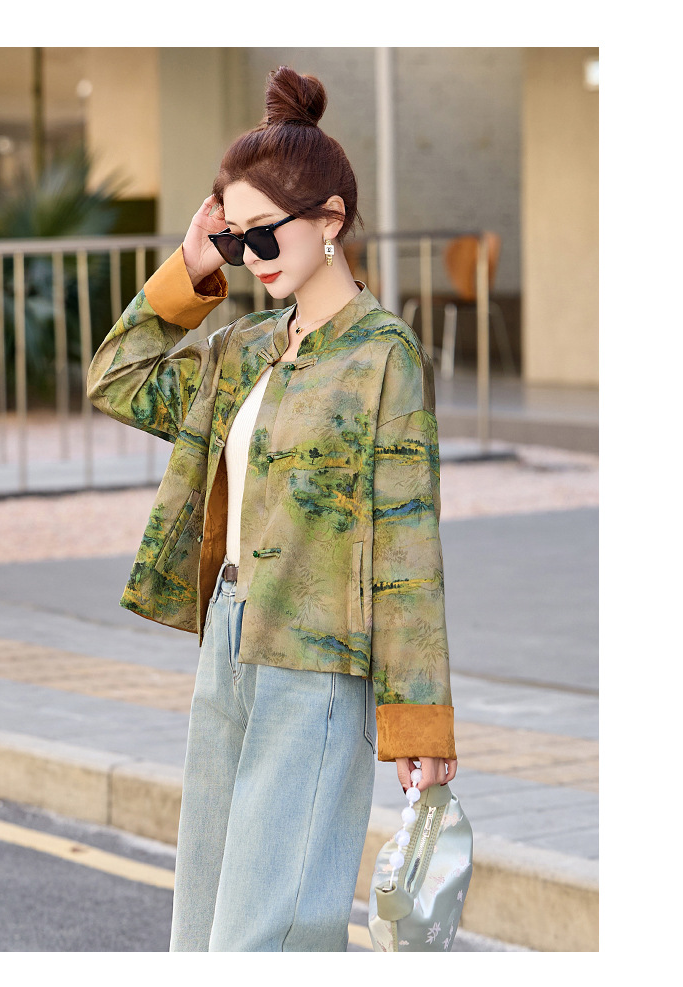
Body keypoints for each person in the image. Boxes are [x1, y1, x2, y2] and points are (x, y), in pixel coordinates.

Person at [87, 66, 457, 953]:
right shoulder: (244, 346)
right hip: (229, 638)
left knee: (268, 932)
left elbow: (407, 545)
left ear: (330, 220)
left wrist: (419, 719)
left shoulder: (384, 357)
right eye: (236, 236)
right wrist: (191, 267)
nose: (251, 256)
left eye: (264, 233)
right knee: (204, 922)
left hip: (318, 661)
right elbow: (115, 378)